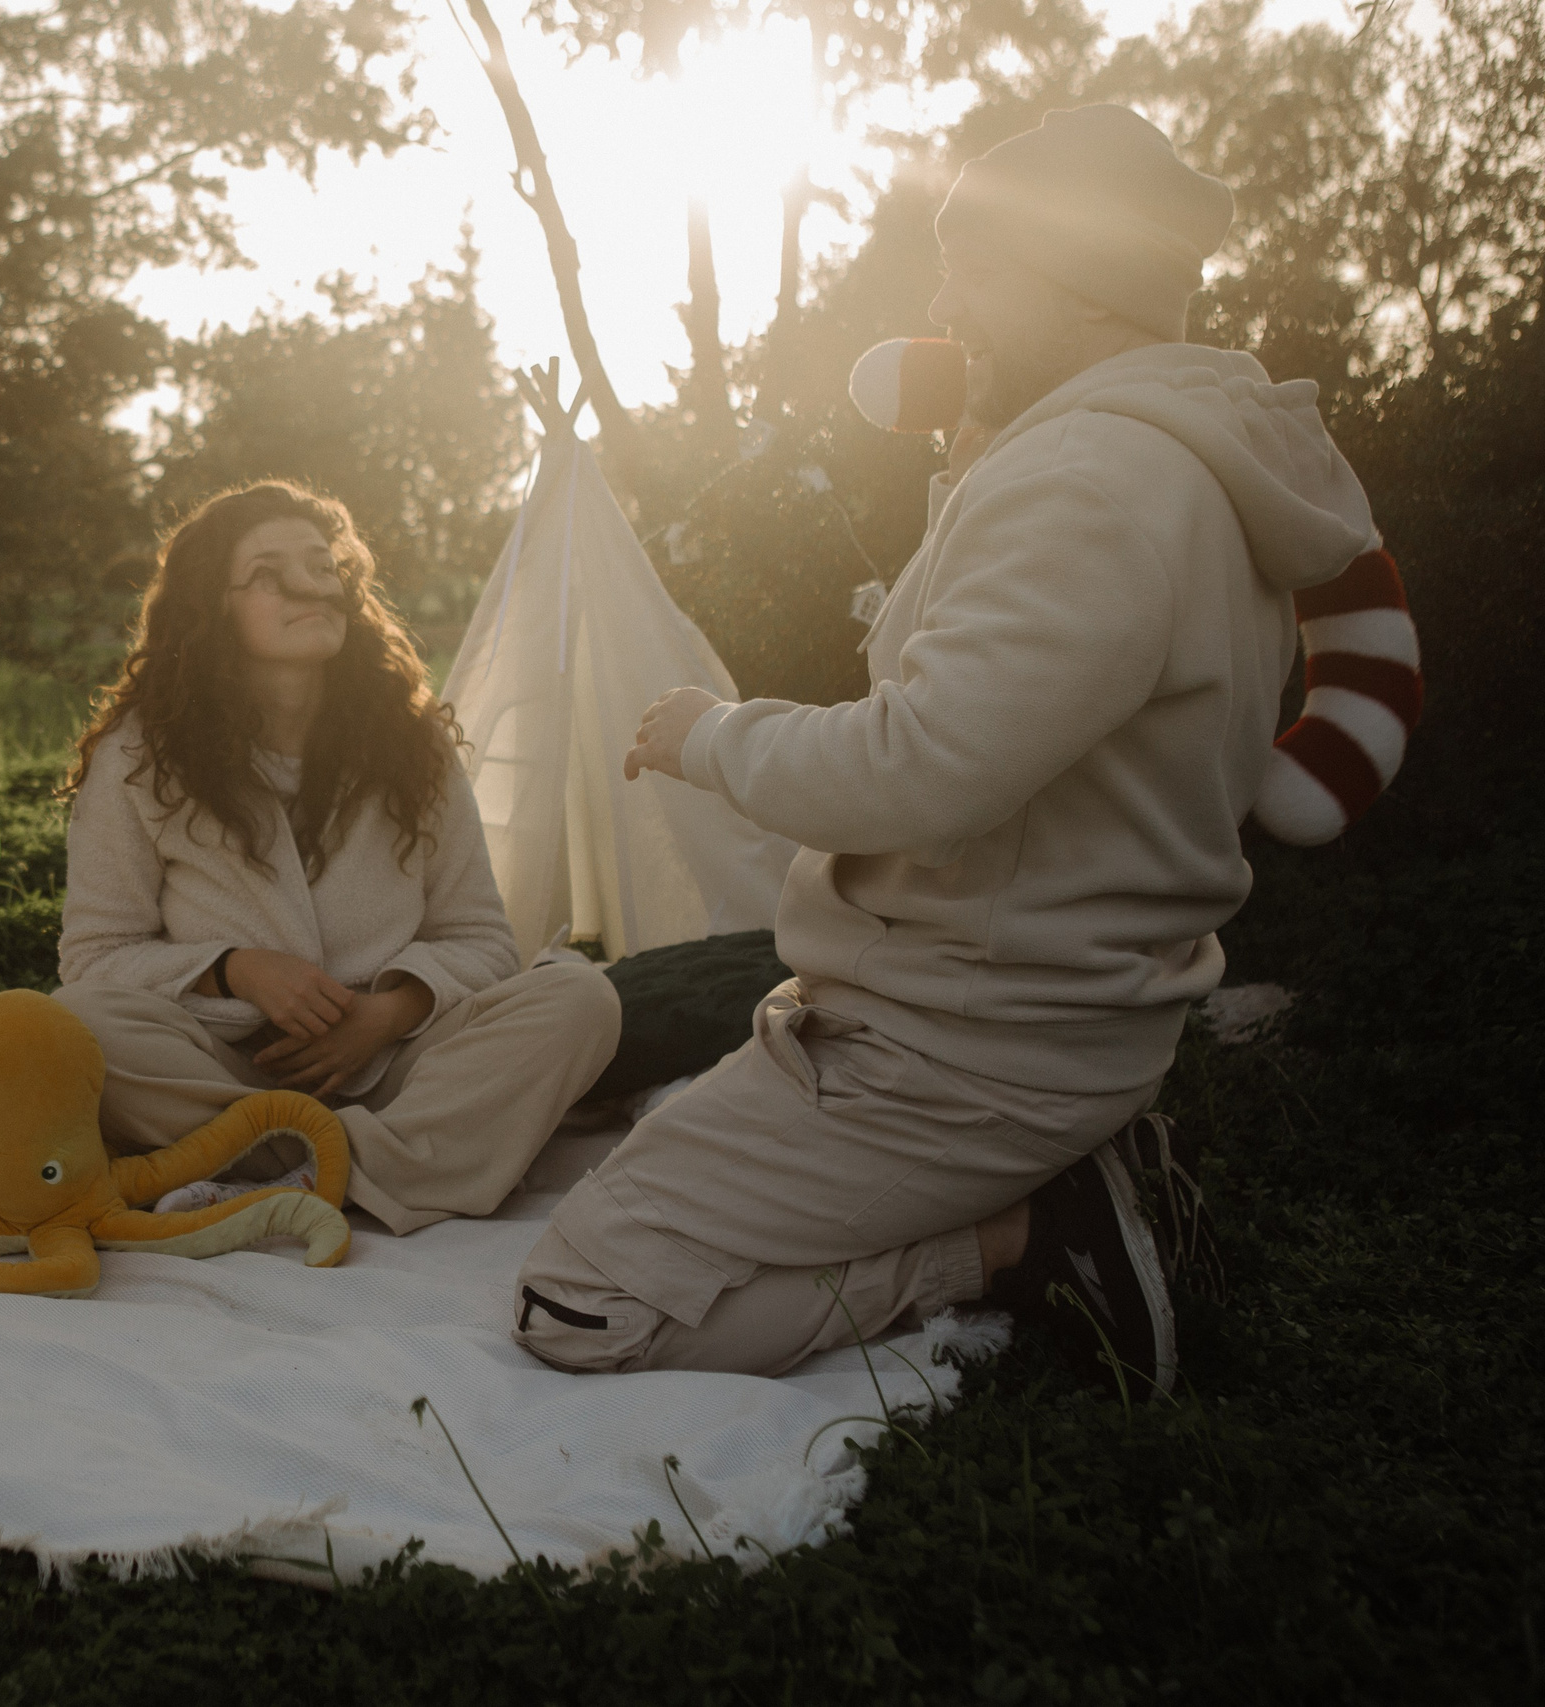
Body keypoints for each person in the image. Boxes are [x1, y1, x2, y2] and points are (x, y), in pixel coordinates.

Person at [513, 105, 1378, 1397]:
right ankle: (1060, 1179)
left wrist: (714, 734)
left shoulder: (1088, 480)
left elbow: (921, 767)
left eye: (972, 263)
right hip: (1037, 1014)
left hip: (963, 1050)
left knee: (574, 1294)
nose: (942, 299)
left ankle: (1031, 1239)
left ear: (1079, 284)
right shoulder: (1164, 458)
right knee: (641, 1158)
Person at [55, 481, 622, 1235]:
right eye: (266, 573)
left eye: (322, 566)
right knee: (76, 1024)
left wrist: (389, 1013)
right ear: (211, 604)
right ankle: (376, 1166)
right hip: (231, 1072)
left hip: (399, 1068)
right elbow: (94, 960)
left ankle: (292, 1175)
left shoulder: (410, 743)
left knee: (581, 998)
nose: (308, 586)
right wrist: (235, 969)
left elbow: (484, 939)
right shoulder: (138, 755)